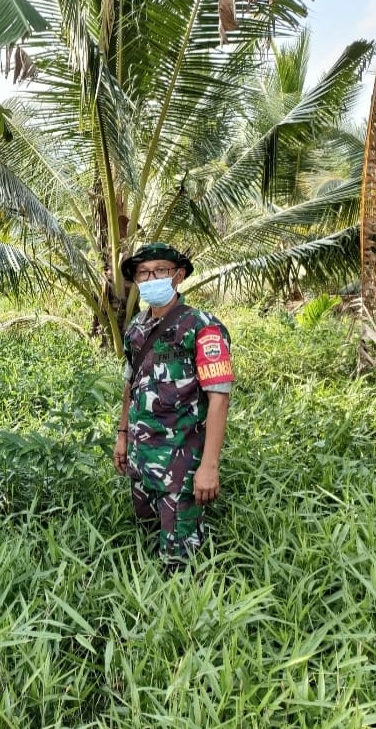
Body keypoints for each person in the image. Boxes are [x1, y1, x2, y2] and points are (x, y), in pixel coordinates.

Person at [113, 243, 234, 572]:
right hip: (141, 457)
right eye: (143, 272)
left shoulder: (202, 327)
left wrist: (209, 466)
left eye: (160, 271)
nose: (151, 277)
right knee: (146, 536)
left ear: (178, 276)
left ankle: (182, 614)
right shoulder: (136, 329)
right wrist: (122, 435)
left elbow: (219, 397)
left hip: (181, 460)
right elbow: (130, 385)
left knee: (180, 558)